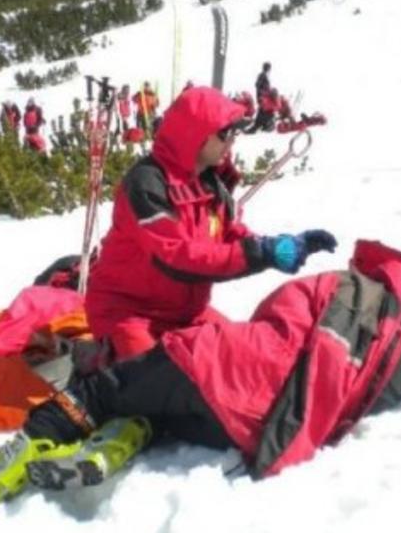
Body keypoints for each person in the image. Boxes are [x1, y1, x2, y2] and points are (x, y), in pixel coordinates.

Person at [0, 261, 401, 504]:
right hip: (257, 425)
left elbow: (279, 316)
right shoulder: (399, 363)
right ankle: (115, 443)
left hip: (229, 368)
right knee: (157, 407)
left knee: (104, 388)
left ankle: (14, 457)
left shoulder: (355, 292)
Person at [84, 86, 337, 361]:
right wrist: (259, 252)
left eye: (234, 134)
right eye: (225, 133)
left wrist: (279, 247)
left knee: (248, 360)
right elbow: (175, 257)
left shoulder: (210, 183)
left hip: (186, 314)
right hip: (128, 314)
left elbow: (230, 236)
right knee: (155, 385)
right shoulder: (147, 183)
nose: (231, 142)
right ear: (196, 134)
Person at [246, 62, 277, 133]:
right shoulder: (262, 75)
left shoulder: (264, 75)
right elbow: (257, 85)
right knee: (262, 111)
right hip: (262, 98)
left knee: (264, 111)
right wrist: (263, 93)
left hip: (264, 98)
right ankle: (255, 127)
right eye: (268, 68)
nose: (269, 69)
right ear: (267, 68)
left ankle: (261, 126)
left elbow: (261, 86)